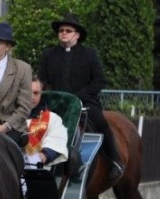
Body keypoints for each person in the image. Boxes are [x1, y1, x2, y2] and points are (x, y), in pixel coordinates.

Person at [37, 13, 124, 183]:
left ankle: (115, 161)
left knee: (100, 122)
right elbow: (41, 80)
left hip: (86, 102)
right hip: (56, 104)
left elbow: (99, 80)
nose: (63, 33)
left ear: (77, 35)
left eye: (68, 30)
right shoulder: (48, 54)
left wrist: (78, 98)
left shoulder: (89, 54)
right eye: (61, 30)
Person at [24, 75, 69, 168]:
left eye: (36, 93)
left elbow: (57, 141)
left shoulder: (53, 119)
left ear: (41, 93)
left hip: (35, 169)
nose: (32, 97)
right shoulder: (6, 116)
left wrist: (43, 156)